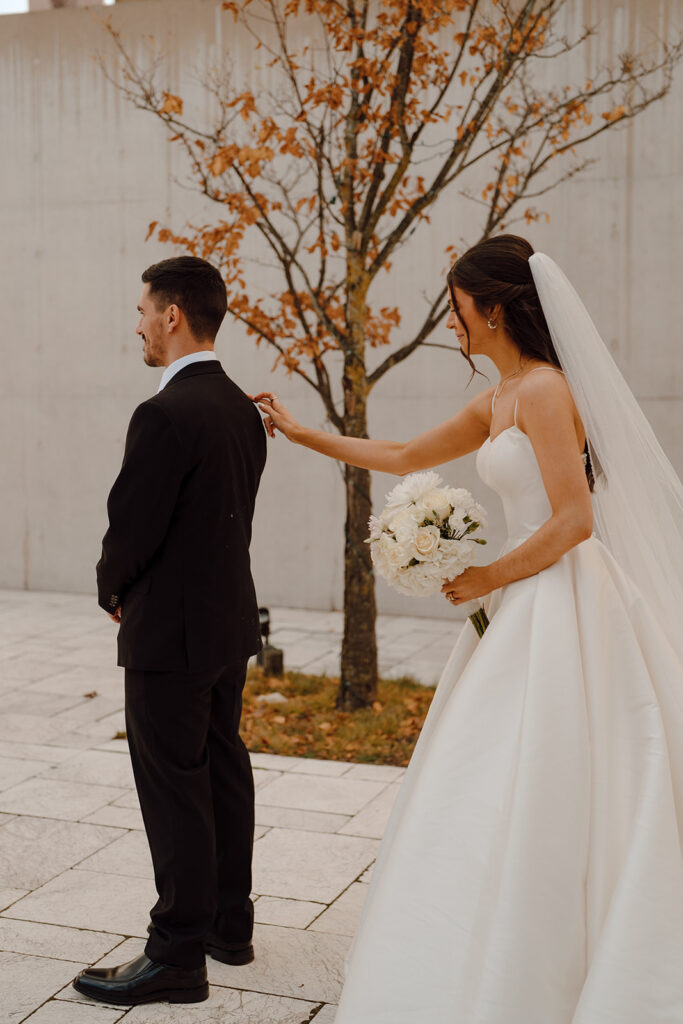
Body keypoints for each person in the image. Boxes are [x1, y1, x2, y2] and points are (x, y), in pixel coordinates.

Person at [252, 235, 683, 1022]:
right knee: (484, 769)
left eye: (456, 308)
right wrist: (303, 431)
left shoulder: (548, 391)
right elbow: (403, 451)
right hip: (518, 606)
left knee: (555, 767)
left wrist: (488, 575)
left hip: (560, 603)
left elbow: (574, 521)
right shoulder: (499, 397)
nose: (451, 323)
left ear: (492, 307)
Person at [73, 256, 266, 1007]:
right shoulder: (240, 408)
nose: (139, 324)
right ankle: (228, 924)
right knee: (221, 768)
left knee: (173, 787)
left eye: (144, 310)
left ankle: (177, 955)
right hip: (227, 623)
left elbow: (133, 527)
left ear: (174, 314)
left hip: (171, 633)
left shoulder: (165, 412)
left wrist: (111, 588)